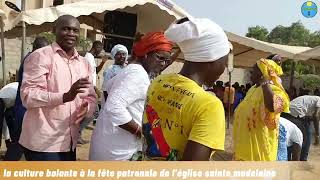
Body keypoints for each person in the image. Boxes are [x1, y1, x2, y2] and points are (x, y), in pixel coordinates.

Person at [141, 17, 230, 161]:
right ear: (212, 60)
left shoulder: (158, 82)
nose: (223, 68)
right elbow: (191, 172)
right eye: (224, 61)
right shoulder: (209, 105)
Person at [19, 15, 96, 161]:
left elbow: (90, 96)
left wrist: (88, 107)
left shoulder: (84, 63)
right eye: (65, 29)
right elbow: (28, 95)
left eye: (75, 30)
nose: (71, 34)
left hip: (69, 142)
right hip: (43, 144)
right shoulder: (41, 56)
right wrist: (65, 96)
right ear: (55, 30)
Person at [89, 32, 173, 161]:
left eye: (166, 61)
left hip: (110, 143)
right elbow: (114, 107)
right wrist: (141, 132)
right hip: (118, 151)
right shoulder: (137, 74)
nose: (163, 64)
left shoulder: (132, 70)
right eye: (160, 58)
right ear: (146, 53)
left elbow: (108, 91)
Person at [233, 59, 290, 161]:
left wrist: (265, 84)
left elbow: (273, 107)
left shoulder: (275, 89)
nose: (251, 72)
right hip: (245, 145)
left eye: (254, 70)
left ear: (262, 72)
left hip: (259, 148)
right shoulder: (252, 89)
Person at [4, 37, 49, 161]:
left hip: (25, 108)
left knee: (24, 142)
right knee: (19, 142)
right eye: (43, 50)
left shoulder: (30, 58)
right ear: (36, 48)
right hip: (24, 109)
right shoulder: (32, 60)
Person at [78, 41, 108, 144]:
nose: (101, 51)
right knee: (92, 113)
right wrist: (94, 89)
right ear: (97, 47)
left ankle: (78, 134)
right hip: (88, 89)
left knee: (90, 113)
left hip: (90, 89)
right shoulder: (88, 57)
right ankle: (77, 134)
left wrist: (103, 62)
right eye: (101, 48)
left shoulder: (91, 57)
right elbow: (87, 75)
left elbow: (95, 72)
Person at [289, 95, 320, 161]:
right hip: (296, 111)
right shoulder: (319, 100)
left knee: (293, 136)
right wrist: (317, 135)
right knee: (306, 135)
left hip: (290, 110)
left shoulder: (313, 99)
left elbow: (311, 116)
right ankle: (302, 159)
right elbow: (316, 116)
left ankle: (290, 158)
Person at [0, 82, 19, 153]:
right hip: (4, 99)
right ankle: (12, 144)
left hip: (8, 101)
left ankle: (12, 143)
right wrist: (7, 138)